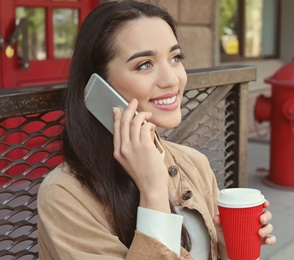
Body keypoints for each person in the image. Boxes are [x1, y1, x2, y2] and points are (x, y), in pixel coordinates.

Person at [37, 1, 276, 259]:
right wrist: (152, 189)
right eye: (144, 64)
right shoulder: (64, 194)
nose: (172, 79)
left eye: (175, 58)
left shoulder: (195, 164)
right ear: (99, 85)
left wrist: (225, 246)